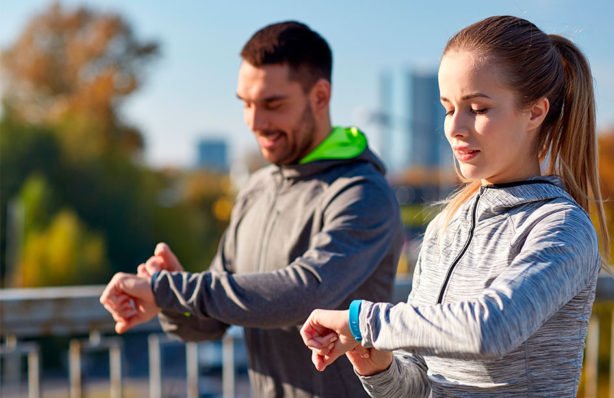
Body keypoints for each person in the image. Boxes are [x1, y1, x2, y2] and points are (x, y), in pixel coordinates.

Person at [300, 15, 611, 397]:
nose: (454, 127)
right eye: (448, 108)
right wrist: (378, 366)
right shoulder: (447, 226)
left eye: (477, 108)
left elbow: (490, 328)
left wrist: (364, 320)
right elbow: (419, 385)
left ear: (535, 112)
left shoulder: (562, 227)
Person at [100, 21, 403, 398]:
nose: (255, 122)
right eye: (245, 103)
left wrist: (174, 289)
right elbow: (207, 325)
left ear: (320, 97)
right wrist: (171, 303)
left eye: (272, 104)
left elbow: (304, 294)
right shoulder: (257, 189)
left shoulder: (362, 192)